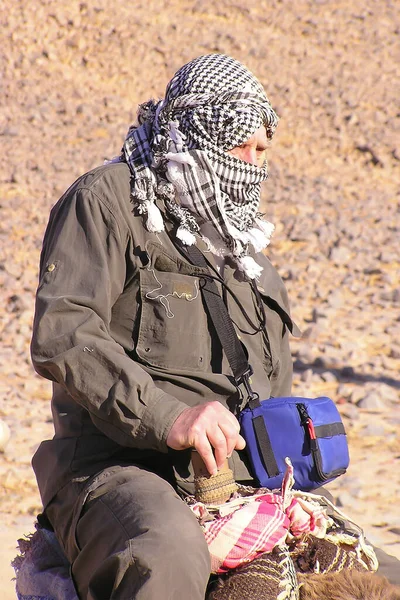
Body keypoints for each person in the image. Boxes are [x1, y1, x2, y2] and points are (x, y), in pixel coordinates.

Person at [30, 54, 399, 600]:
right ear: (195, 132)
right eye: (239, 147)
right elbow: (63, 333)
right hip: (121, 468)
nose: (253, 165)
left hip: (242, 481)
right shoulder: (109, 201)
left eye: (262, 150)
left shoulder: (247, 252)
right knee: (168, 555)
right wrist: (171, 418)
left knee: (377, 574)